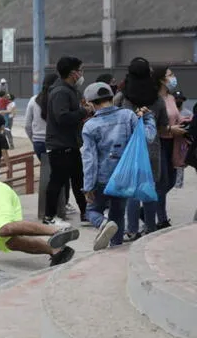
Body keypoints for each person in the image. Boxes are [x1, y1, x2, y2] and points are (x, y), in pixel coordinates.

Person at [81, 82, 156, 250]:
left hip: (102, 178)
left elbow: (89, 160)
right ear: (112, 98)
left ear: (91, 103)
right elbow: (147, 138)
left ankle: (103, 224)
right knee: (118, 214)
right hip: (124, 177)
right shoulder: (128, 116)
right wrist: (149, 118)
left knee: (91, 211)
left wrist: (88, 187)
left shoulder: (90, 126)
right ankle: (117, 248)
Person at [121, 57, 168, 241]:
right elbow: (163, 125)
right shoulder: (157, 99)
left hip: (130, 150)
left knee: (132, 192)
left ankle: (132, 230)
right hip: (152, 149)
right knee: (150, 189)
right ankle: (150, 228)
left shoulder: (123, 98)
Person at [43, 56, 90, 226]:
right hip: (60, 146)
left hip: (70, 144)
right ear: (73, 73)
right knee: (57, 181)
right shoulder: (61, 92)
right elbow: (61, 117)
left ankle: (86, 212)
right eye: (81, 70)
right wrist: (83, 112)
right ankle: (49, 216)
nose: (82, 74)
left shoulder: (69, 90)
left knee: (79, 180)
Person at [152, 66, 188, 230]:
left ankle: (145, 210)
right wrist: (170, 129)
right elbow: (154, 124)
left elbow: (176, 117)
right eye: (170, 74)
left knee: (172, 180)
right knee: (162, 182)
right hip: (159, 142)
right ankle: (162, 219)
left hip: (173, 142)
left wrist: (185, 121)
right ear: (161, 79)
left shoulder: (171, 98)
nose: (173, 77)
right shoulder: (154, 99)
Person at [25, 73, 59, 161]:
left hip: (38, 143)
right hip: (55, 143)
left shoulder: (33, 100)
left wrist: (34, 140)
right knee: (57, 172)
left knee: (46, 170)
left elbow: (27, 125)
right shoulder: (59, 100)